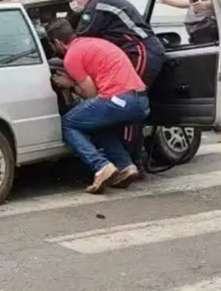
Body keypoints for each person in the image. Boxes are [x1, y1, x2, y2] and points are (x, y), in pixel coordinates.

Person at [62, 0, 165, 174]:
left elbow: (80, 36)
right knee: (126, 107)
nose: (73, 5)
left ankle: (129, 162)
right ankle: (130, 162)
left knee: (126, 102)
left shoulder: (95, 6)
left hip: (140, 51)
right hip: (139, 50)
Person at [48, 19, 149, 193]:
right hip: (141, 100)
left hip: (119, 100)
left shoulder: (72, 56)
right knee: (97, 124)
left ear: (57, 43)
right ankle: (125, 166)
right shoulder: (93, 43)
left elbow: (91, 94)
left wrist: (70, 84)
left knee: (68, 123)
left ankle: (101, 166)